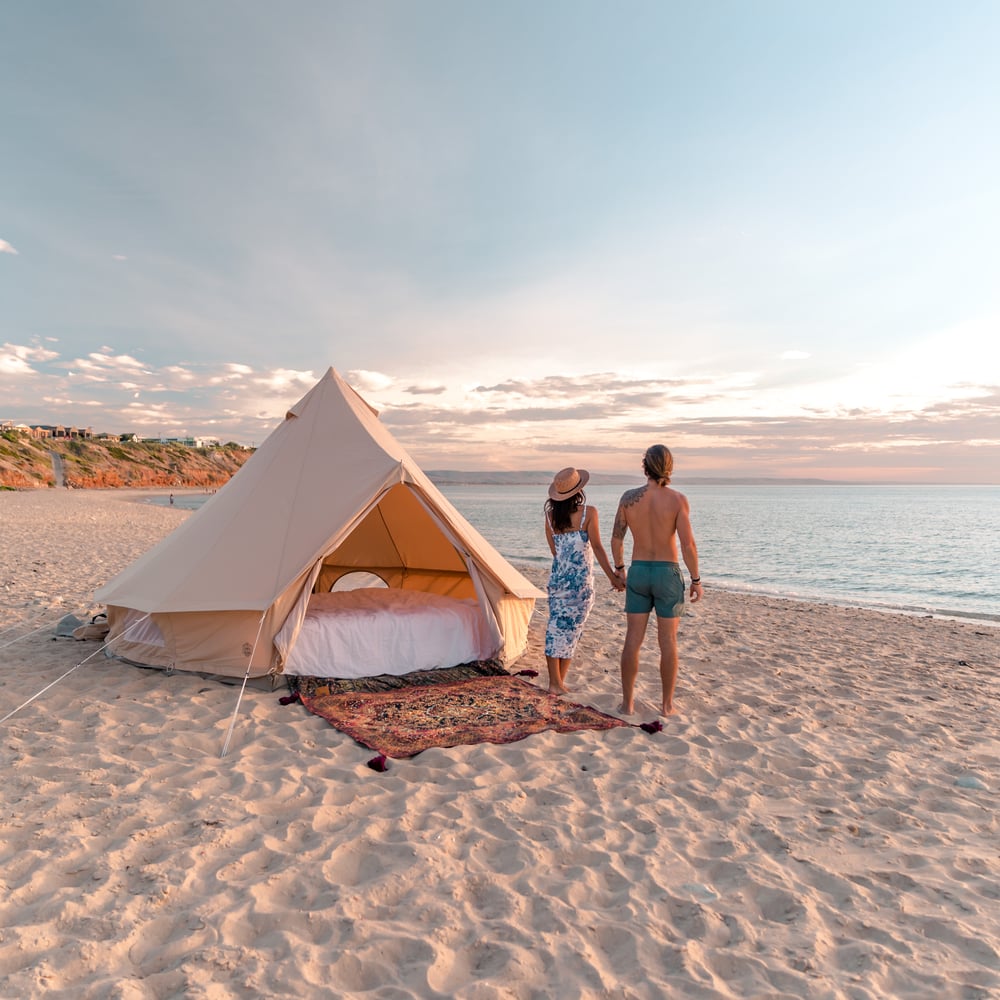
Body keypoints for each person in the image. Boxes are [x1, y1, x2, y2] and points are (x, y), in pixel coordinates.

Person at [611, 445, 702, 716]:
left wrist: (619, 569)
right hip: (667, 575)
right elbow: (688, 545)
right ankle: (667, 705)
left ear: (645, 466)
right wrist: (696, 579)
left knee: (632, 640)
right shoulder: (677, 500)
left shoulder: (629, 498)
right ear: (670, 467)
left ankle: (627, 703)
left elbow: (617, 538)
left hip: (638, 572)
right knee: (668, 642)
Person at [543, 467, 624, 694]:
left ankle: (557, 682)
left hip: (559, 580)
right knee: (571, 629)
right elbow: (597, 547)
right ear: (579, 490)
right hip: (580, 585)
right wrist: (613, 577)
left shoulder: (550, 518)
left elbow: (555, 552)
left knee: (557, 628)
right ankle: (555, 683)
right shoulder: (589, 513)